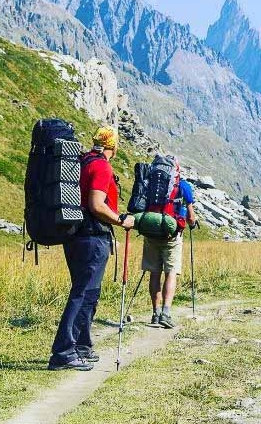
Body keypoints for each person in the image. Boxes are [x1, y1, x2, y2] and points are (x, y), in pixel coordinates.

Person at [48, 126, 134, 371]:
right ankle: (63, 352)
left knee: (88, 293)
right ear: (113, 147)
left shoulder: (83, 161)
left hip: (75, 235)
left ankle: (81, 346)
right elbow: (97, 205)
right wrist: (120, 220)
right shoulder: (102, 166)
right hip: (92, 237)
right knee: (83, 293)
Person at [142, 172, 196, 329]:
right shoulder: (183, 185)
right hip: (172, 235)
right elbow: (191, 217)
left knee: (154, 273)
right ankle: (166, 313)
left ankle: (155, 313)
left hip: (151, 233)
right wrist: (192, 223)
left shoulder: (150, 181)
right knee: (171, 273)